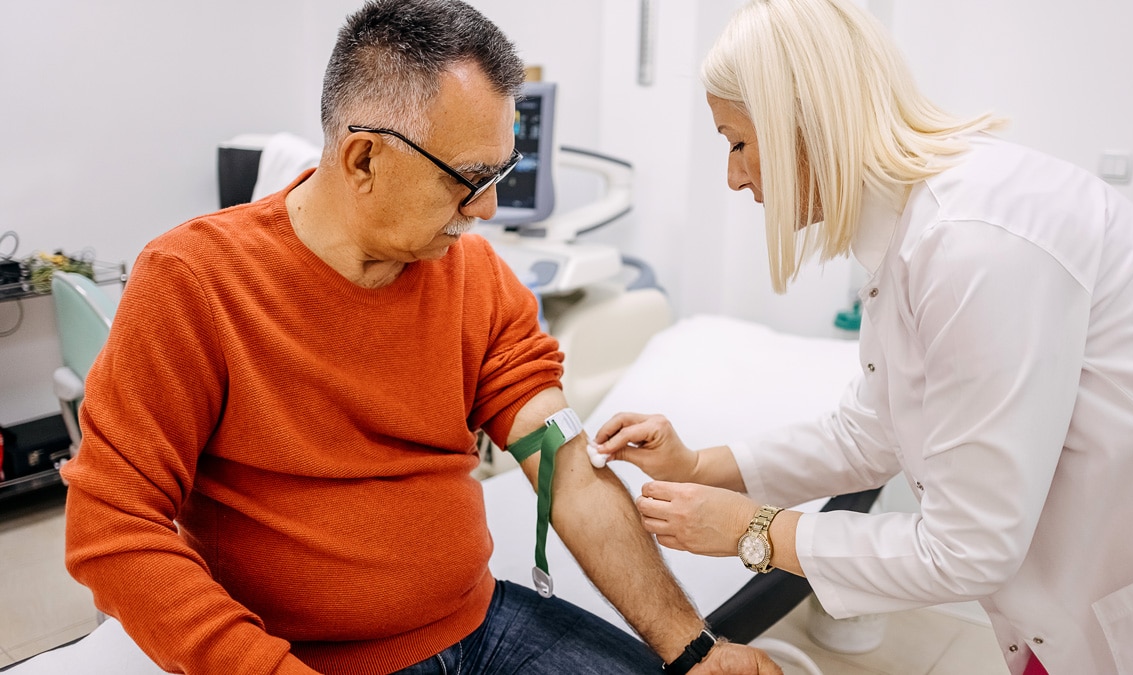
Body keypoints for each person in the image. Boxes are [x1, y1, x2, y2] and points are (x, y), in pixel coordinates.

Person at [60, 1, 782, 673]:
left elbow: (565, 466)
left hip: (481, 622)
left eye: (502, 172)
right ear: (364, 158)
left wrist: (697, 651)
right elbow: (112, 524)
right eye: (470, 179)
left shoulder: (473, 275)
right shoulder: (193, 281)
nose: (491, 207)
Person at [590, 1, 1133, 674]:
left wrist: (752, 531)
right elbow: (872, 432)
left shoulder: (977, 242)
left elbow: (968, 549)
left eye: (737, 141)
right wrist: (695, 465)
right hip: (1072, 594)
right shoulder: (915, 232)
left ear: (805, 121)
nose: (734, 176)